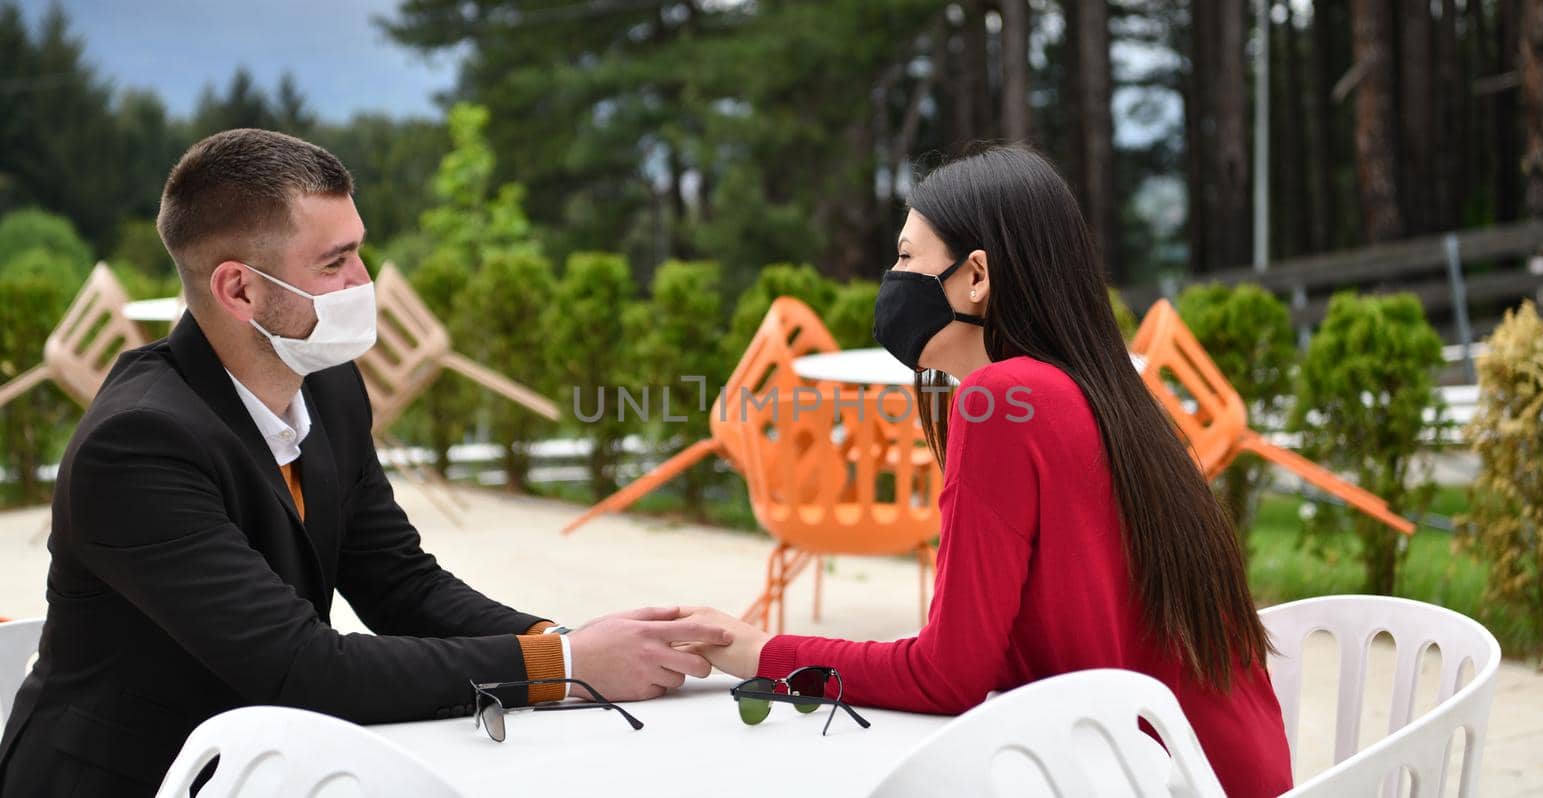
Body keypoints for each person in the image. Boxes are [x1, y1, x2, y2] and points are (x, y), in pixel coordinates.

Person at [0, 129, 728, 796]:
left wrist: (567, 644)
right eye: (335, 262)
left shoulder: (328, 384)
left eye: (359, 250)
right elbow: (302, 668)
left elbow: (400, 582)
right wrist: (566, 671)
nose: (363, 282)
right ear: (239, 289)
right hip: (129, 779)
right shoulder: (137, 445)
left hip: (255, 766)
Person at [682, 145, 1293, 797]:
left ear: (976, 275)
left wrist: (758, 653)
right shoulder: (1105, 394)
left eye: (907, 257)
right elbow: (989, 647)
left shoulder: (1000, 402)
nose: (893, 278)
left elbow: (947, 678)